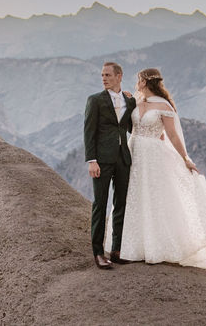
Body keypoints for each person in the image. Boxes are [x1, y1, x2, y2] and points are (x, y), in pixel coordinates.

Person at [116, 68, 206, 268]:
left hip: (152, 155)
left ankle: (156, 246)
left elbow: (172, 135)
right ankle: (132, 246)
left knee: (154, 196)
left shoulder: (164, 104)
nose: (136, 82)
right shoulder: (136, 101)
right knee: (134, 195)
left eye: (139, 79)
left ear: (145, 82)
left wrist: (185, 158)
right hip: (134, 151)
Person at [83, 62, 136, 269]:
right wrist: (92, 160)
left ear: (119, 76)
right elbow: (89, 131)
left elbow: (131, 126)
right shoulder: (95, 100)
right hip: (101, 161)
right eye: (102, 75)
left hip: (123, 159)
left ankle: (116, 250)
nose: (103, 78)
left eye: (107, 75)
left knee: (120, 204)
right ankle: (98, 253)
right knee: (100, 204)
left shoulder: (129, 101)